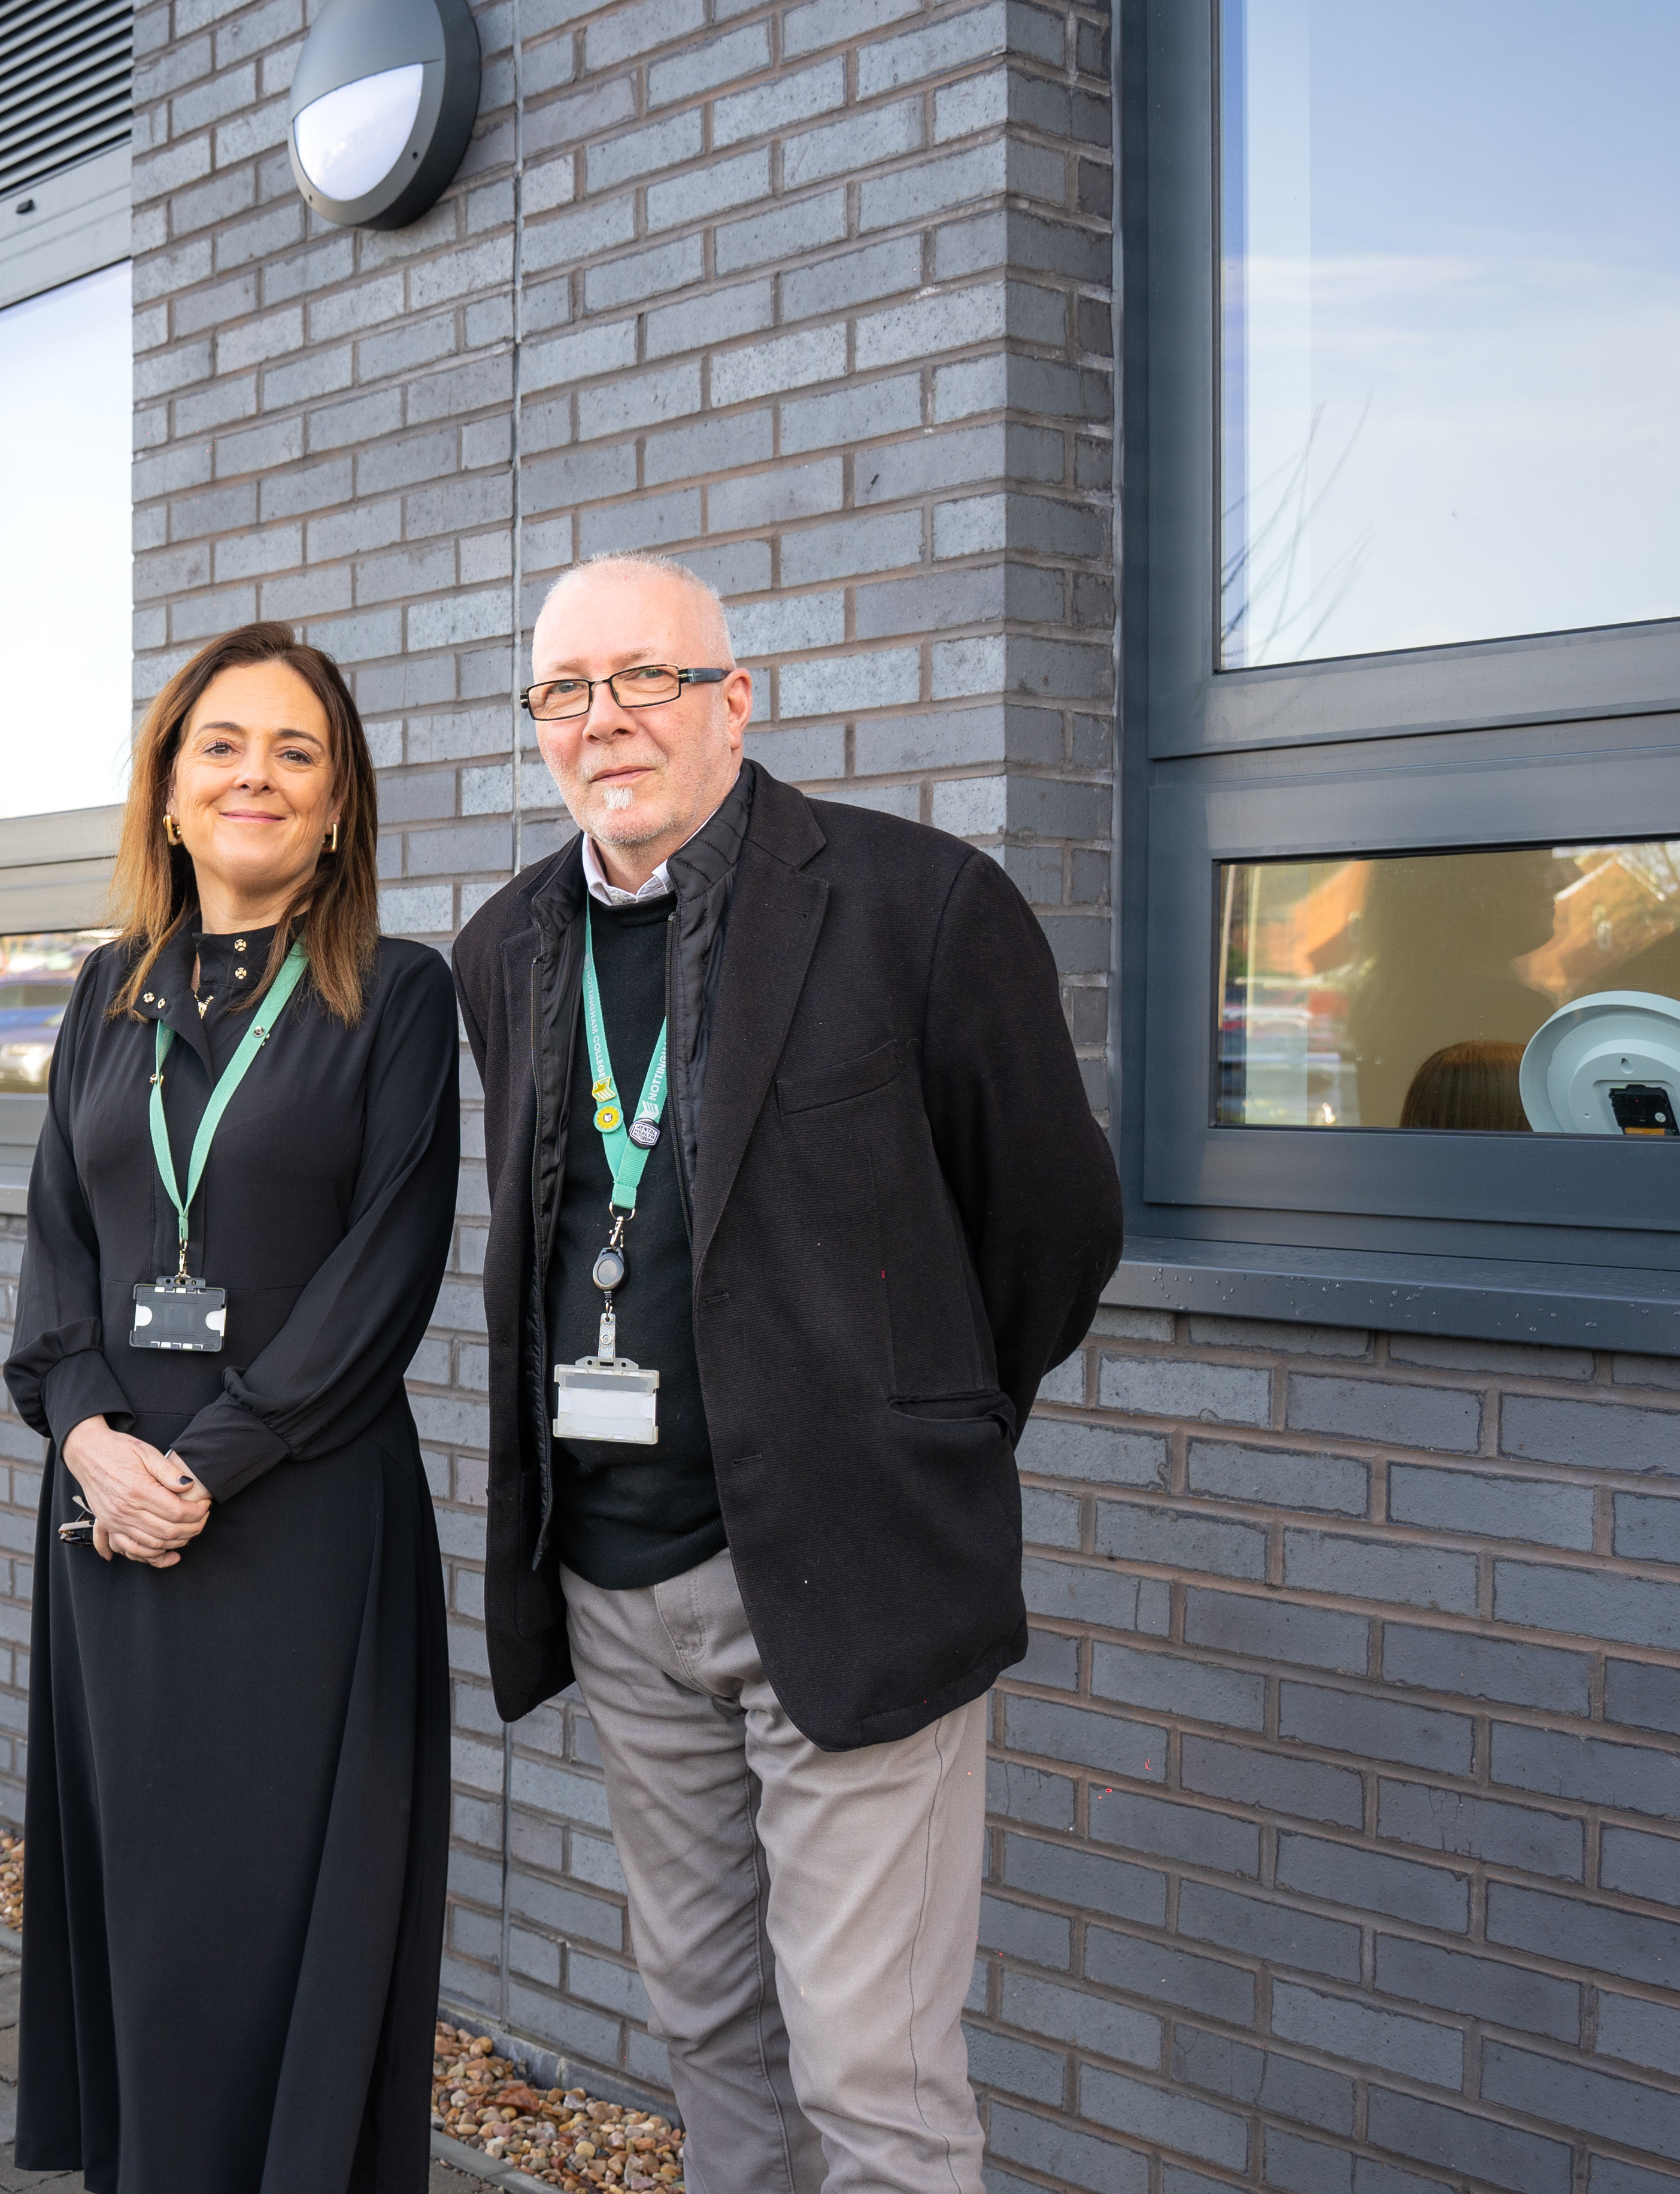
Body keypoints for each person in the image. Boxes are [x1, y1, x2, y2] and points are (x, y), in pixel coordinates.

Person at [450, 554, 1121, 2194]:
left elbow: (1048, 1226)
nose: (603, 718)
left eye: (644, 678)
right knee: (710, 2034)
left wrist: (912, 1427)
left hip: (848, 1572)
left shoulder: (919, 905)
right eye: (563, 690)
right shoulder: (503, 945)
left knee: (869, 2078)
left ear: (732, 698)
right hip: (617, 1587)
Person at [5, 621, 460, 2193]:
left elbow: (381, 1276)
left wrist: (195, 1470)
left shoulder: (394, 998)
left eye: (294, 751)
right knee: (146, 1909)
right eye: (221, 743)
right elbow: (55, 1268)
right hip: (106, 1530)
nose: (252, 774)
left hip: (299, 1532)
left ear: (337, 811)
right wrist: (89, 1445)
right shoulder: (99, 997)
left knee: (282, 1913)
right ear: (169, 789)